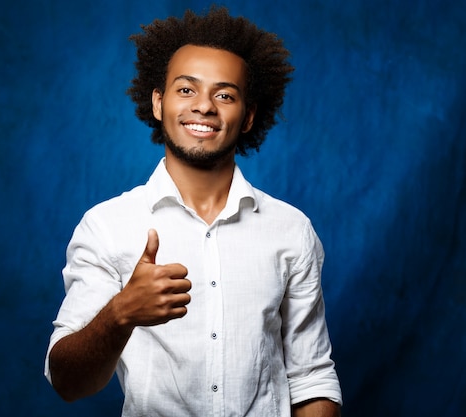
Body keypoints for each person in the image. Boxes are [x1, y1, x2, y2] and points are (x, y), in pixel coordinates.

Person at [45, 6, 342, 416]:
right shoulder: (107, 227)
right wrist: (121, 313)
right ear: (158, 102)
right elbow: (68, 383)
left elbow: (311, 377)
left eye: (224, 94)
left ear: (248, 116)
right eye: (186, 89)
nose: (204, 106)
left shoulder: (290, 230)